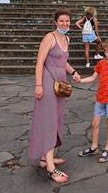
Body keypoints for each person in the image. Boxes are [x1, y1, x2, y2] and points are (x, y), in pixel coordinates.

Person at [29, 9, 81, 184]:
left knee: (56, 119)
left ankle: (45, 157)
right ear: (55, 22)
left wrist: (73, 71)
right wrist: (38, 85)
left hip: (60, 83)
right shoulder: (49, 38)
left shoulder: (66, 38)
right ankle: (50, 167)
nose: (64, 24)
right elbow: (39, 62)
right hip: (47, 81)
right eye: (61, 21)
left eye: (67, 21)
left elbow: (62, 61)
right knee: (49, 121)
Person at [77, 37, 108, 163]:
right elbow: (93, 78)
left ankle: (107, 149)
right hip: (100, 99)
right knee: (95, 123)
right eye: (107, 52)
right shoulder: (101, 64)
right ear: (104, 52)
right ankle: (94, 147)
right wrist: (80, 80)